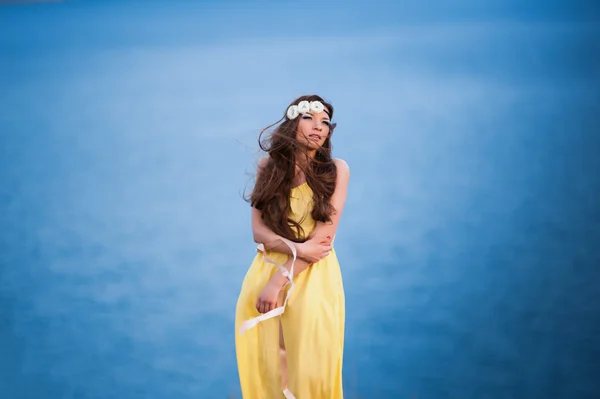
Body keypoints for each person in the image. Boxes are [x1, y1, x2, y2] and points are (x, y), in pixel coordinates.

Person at [235, 94, 350, 398]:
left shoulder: (336, 170)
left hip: (313, 278)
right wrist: (297, 248)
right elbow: (258, 232)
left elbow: (322, 242)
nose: (319, 126)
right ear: (292, 122)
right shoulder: (268, 167)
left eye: (325, 121)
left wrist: (279, 281)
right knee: (269, 369)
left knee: (312, 370)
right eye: (309, 117)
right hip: (265, 272)